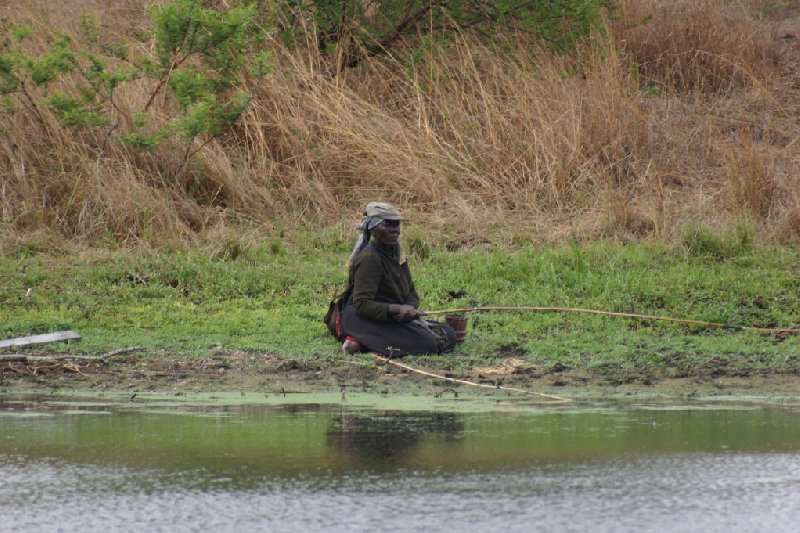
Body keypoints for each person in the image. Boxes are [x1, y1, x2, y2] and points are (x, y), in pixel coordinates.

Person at [339, 202, 456, 356]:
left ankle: (365, 342)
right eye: (387, 225)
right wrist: (397, 309)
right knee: (428, 345)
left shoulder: (397, 253)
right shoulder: (370, 258)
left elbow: (411, 291)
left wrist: (410, 308)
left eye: (396, 225)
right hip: (362, 318)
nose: (394, 230)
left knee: (449, 334)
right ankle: (360, 340)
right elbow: (362, 305)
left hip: (391, 316)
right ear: (373, 229)